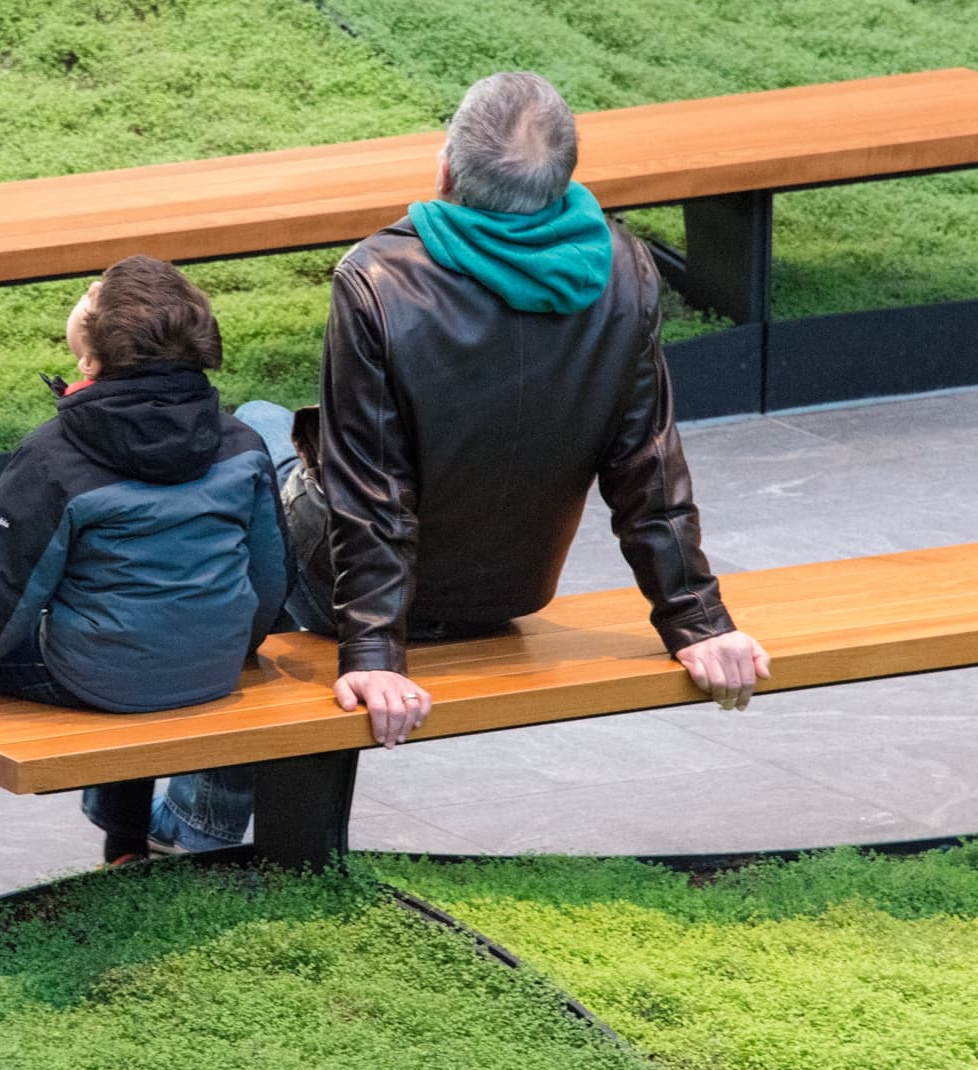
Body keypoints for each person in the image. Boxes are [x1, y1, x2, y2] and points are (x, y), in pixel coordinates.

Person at [150, 71, 772, 853]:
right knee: (272, 434)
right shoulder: (624, 269)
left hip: (348, 591)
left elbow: (369, 493)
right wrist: (695, 618)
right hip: (511, 585)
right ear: (562, 180)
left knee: (249, 444)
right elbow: (645, 464)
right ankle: (197, 809)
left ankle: (196, 816)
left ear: (444, 171)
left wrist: (374, 650)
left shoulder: (375, 277)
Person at [0, 255, 290, 917]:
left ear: (89, 362)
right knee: (130, 621)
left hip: (101, 674)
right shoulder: (241, 442)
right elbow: (269, 575)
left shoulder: (53, 458)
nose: (87, 293)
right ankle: (125, 846)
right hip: (215, 664)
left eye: (93, 298)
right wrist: (220, 646)